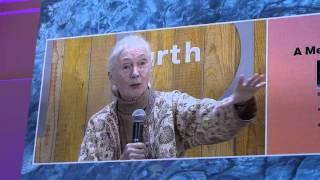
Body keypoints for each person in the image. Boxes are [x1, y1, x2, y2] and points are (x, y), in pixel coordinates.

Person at [78, 35, 265, 161]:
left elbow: (208, 119)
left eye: (142, 63)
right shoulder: (98, 124)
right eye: (126, 66)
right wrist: (119, 167)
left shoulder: (171, 105)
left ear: (150, 68)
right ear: (111, 76)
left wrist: (238, 102)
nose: (135, 73)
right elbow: (82, 175)